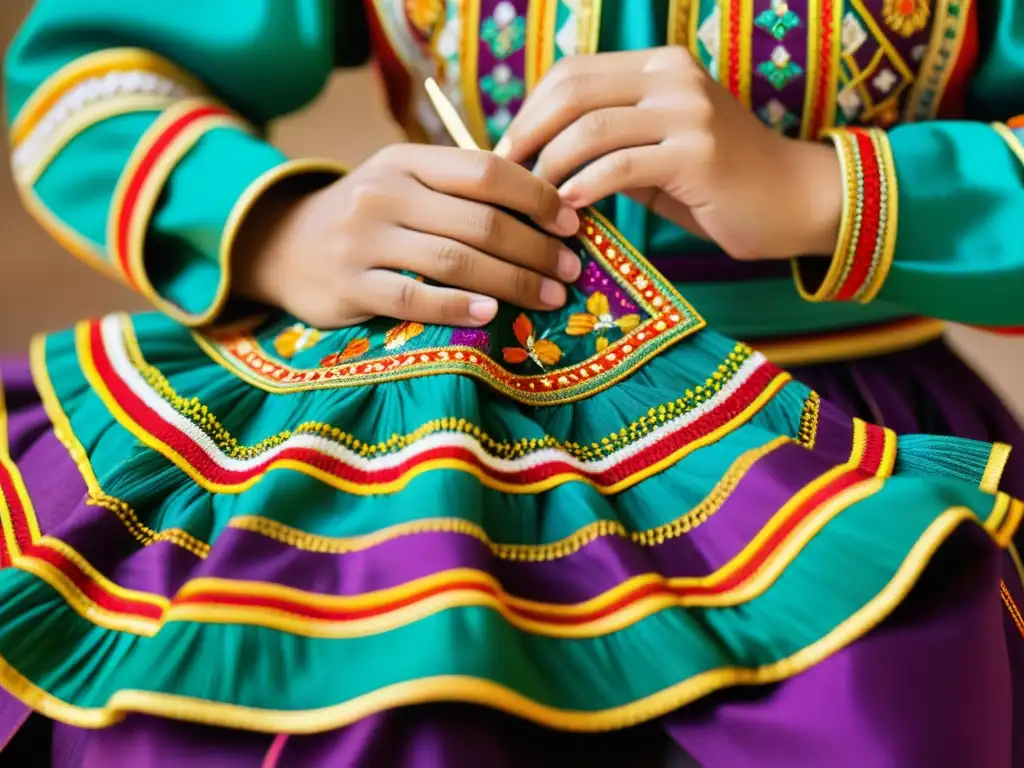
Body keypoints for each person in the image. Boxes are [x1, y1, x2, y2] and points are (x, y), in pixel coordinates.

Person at [0, 1, 1022, 765]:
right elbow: (97, 66)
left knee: (895, 678)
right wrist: (275, 224)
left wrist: (826, 188)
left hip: (833, 438)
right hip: (419, 429)